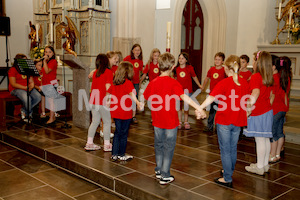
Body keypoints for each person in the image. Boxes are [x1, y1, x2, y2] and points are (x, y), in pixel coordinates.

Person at [143, 52, 202, 185]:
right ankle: (165, 174)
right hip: (170, 121)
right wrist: (198, 107)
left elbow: (146, 98)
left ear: (158, 65)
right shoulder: (174, 83)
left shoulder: (153, 82)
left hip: (157, 120)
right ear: (173, 66)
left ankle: (158, 169)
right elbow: (184, 97)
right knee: (168, 146)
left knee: (158, 144)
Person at [197, 55, 250, 188]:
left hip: (225, 120)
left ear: (226, 68)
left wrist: (200, 107)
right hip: (238, 120)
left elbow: (211, 97)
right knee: (232, 148)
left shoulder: (224, 82)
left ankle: (227, 177)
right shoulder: (244, 82)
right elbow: (247, 101)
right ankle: (228, 171)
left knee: (225, 150)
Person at [244, 51, 274, 175]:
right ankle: (265, 164)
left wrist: (248, 108)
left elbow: (255, 93)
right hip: (268, 111)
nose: (254, 62)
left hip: (259, 112)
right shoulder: (269, 77)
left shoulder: (256, 76)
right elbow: (271, 95)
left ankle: (260, 167)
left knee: (259, 140)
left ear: (259, 62)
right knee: (265, 139)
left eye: (255, 60)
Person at [108, 61, 143, 161]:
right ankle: (121, 154)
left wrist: (107, 101)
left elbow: (109, 92)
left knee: (117, 133)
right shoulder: (128, 83)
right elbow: (132, 94)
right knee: (124, 134)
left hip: (115, 112)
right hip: (125, 113)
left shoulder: (115, 82)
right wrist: (137, 103)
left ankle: (114, 154)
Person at [85, 54, 113, 151]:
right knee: (107, 122)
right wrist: (108, 100)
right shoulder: (108, 72)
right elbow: (108, 88)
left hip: (93, 101)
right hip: (102, 101)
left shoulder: (95, 73)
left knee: (95, 122)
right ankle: (107, 144)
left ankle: (89, 143)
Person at [269, 56, 291, 163]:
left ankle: (272, 156)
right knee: (279, 133)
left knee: (273, 134)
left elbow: (272, 95)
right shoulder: (284, 76)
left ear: (273, 67)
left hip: (275, 109)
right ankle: (277, 154)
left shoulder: (273, 78)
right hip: (283, 108)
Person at [8, 54, 41, 122]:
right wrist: (25, 87)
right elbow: (13, 84)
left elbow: (31, 80)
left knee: (38, 97)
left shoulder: (27, 69)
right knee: (27, 98)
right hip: (16, 89)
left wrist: (32, 85)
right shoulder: (13, 69)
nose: (25, 62)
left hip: (27, 87)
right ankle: (28, 114)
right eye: (24, 60)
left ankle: (24, 110)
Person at [175, 52, 202, 130]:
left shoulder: (189, 68)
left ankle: (186, 121)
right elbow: (175, 79)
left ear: (186, 60)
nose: (180, 60)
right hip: (179, 91)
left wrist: (199, 85)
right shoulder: (176, 69)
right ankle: (179, 121)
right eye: (179, 58)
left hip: (187, 90)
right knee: (179, 107)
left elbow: (194, 77)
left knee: (186, 107)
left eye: (182, 58)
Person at [201, 52, 226, 132]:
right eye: (216, 59)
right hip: (213, 94)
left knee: (220, 111)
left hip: (221, 95)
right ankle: (209, 126)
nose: (217, 61)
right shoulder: (211, 69)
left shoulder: (224, 70)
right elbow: (207, 78)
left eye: (219, 60)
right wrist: (203, 87)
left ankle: (219, 125)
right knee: (212, 111)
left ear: (222, 61)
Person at [123, 44, 143, 123]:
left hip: (136, 82)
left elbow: (139, 72)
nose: (137, 52)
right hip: (128, 81)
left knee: (135, 98)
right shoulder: (128, 58)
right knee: (128, 98)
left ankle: (133, 116)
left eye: (139, 50)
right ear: (132, 51)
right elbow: (122, 66)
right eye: (136, 50)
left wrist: (140, 81)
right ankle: (127, 114)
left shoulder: (140, 61)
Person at [41, 46, 58, 125]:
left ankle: (51, 118)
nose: (47, 53)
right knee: (49, 101)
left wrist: (44, 61)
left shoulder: (53, 61)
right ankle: (53, 117)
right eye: (46, 52)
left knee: (51, 101)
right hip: (45, 83)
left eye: (49, 52)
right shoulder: (46, 62)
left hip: (51, 83)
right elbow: (43, 74)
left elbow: (47, 71)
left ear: (53, 53)